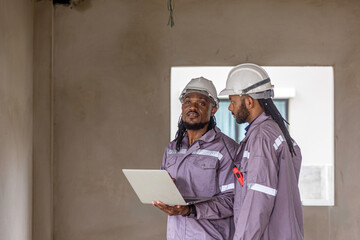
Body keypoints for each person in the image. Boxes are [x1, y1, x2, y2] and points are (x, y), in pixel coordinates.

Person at [219, 63, 304, 240]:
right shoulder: (275, 132)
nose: (230, 108)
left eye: (233, 101)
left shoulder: (261, 137)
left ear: (249, 101)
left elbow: (259, 197)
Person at [153, 77, 239, 240]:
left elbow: (232, 200)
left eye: (201, 103)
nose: (192, 107)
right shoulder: (172, 149)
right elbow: (163, 190)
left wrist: (190, 209)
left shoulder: (226, 149)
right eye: (187, 102)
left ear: (213, 109)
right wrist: (163, 194)